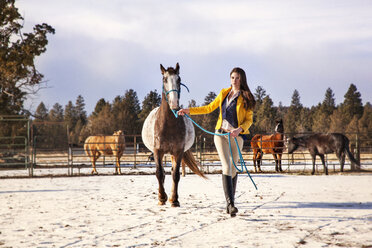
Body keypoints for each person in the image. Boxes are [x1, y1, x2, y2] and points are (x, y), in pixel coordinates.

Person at [178, 67, 255, 217]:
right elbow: (208, 108)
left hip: (236, 137)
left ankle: (230, 203)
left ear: (242, 79)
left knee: (233, 168)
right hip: (220, 135)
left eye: (237, 78)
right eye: (232, 77)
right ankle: (230, 204)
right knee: (226, 166)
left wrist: (239, 130)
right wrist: (188, 110)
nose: (234, 80)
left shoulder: (247, 98)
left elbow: (249, 120)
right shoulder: (223, 93)